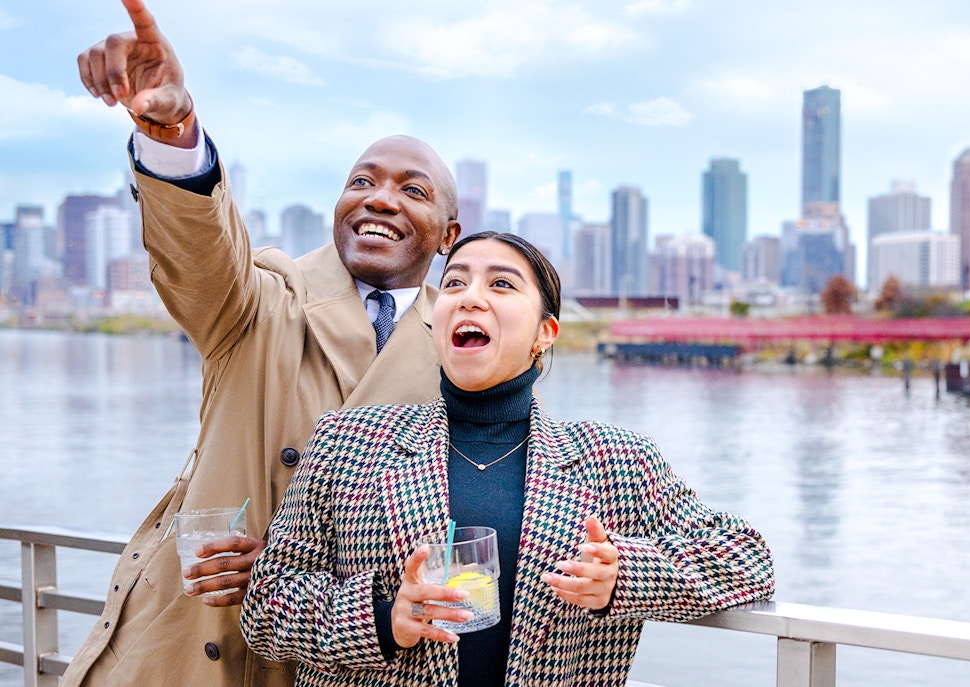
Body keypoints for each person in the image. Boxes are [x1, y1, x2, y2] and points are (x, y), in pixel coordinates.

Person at [64, 1, 460, 686]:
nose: (379, 199)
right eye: (361, 181)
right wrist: (169, 127)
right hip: (198, 645)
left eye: (411, 189)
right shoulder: (258, 300)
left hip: (344, 658)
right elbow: (200, 253)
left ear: (447, 234)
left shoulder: (462, 349)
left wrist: (290, 566)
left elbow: (462, 523)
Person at [240, 232, 775, 686]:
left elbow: (747, 560)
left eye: (501, 284)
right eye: (454, 282)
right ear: (437, 321)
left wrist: (625, 577)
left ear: (545, 333)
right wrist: (385, 621)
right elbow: (265, 604)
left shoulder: (615, 460)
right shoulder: (350, 442)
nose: (470, 297)